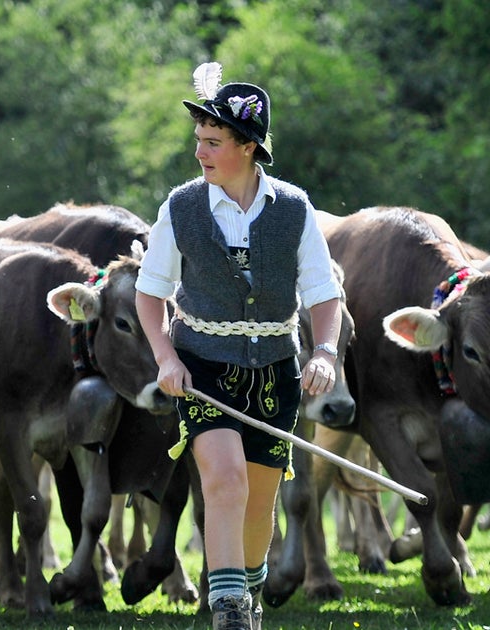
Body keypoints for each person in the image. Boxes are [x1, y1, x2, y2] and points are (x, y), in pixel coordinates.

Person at [135, 61, 342, 630]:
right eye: (198, 139)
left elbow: (325, 295)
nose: (199, 152)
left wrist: (325, 352)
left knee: (258, 499)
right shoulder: (180, 207)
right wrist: (166, 358)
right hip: (203, 367)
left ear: (248, 147)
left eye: (213, 142)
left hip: (277, 371)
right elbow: (149, 295)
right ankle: (226, 609)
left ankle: (246, 597)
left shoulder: (294, 209)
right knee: (224, 479)